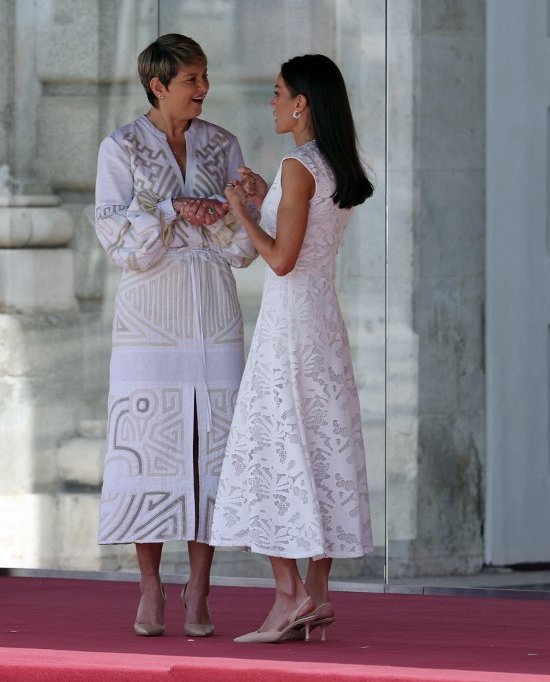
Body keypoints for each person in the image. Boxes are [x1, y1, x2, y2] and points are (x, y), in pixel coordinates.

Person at [93, 33, 257, 639]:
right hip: (150, 317)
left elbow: (245, 248)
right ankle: (149, 586)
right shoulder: (121, 146)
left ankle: (201, 588)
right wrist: (170, 211)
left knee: (210, 446)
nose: (203, 89)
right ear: (158, 85)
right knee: (148, 444)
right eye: (192, 80)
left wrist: (233, 210)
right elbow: (115, 239)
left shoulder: (222, 144)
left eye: (205, 76)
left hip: (213, 310)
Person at [210, 53, 375, 643]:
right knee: (318, 445)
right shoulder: (334, 163)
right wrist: (264, 200)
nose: (273, 102)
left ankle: (290, 595)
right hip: (322, 323)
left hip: (289, 327)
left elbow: (279, 260)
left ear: (302, 102)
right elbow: (302, 240)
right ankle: (318, 597)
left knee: (272, 444)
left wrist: (240, 212)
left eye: (279, 93)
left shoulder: (298, 165)